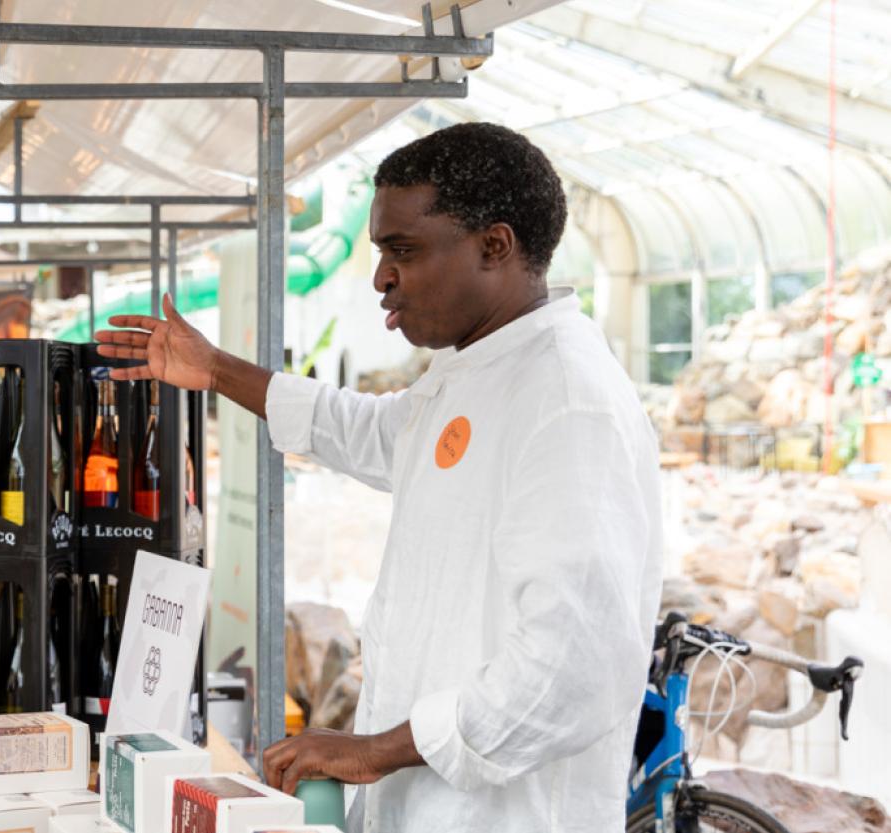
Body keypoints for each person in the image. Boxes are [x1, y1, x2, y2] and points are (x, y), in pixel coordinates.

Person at [95, 123, 661, 832]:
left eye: (404, 250)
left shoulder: (567, 401)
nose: (381, 278)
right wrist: (215, 369)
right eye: (380, 252)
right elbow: (368, 430)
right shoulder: (475, 368)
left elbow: (572, 668)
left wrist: (375, 750)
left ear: (495, 246)